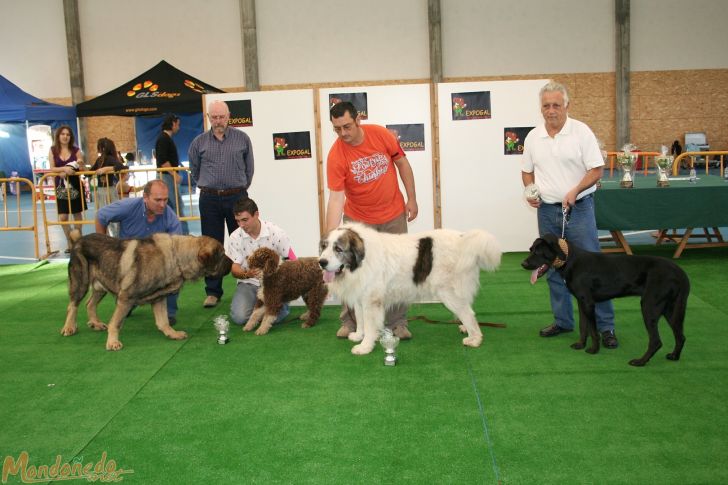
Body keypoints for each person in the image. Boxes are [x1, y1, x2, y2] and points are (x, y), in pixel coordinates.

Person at [521, 81, 618, 348]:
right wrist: (530, 190)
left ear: (567, 106)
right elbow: (527, 171)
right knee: (553, 268)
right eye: (546, 106)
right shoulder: (533, 137)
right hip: (548, 212)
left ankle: (606, 327)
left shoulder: (581, 132)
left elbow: (596, 169)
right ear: (541, 108)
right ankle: (563, 322)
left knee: (594, 268)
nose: (551, 111)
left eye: (556, 105)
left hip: (579, 209)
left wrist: (575, 190)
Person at [325, 101, 418, 340]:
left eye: (347, 126)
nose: (343, 133)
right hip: (359, 221)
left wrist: (412, 199)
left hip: (393, 214)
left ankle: (397, 322)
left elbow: (402, 164)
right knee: (350, 271)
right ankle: (350, 321)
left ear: (358, 120)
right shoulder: (336, 155)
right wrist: (330, 238)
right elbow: (336, 199)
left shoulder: (380, 135)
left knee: (399, 269)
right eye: (337, 129)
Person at [189, 100, 254, 309]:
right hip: (209, 198)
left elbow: (249, 169)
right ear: (209, 118)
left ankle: (247, 283)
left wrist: (239, 187)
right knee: (211, 245)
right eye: (214, 117)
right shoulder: (198, 143)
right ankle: (213, 292)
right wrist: (210, 186)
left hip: (237, 197)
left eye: (221, 117)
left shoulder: (242, 139)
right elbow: (194, 170)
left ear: (229, 116)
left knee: (243, 240)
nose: (218, 121)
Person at [95, 179, 182, 325]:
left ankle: (169, 311)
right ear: (145, 197)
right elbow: (101, 216)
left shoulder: (170, 216)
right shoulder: (127, 206)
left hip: (155, 261)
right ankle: (130, 302)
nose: (162, 204)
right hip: (128, 260)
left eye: (165, 200)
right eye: (157, 200)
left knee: (175, 272)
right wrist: (104, 247)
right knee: (126, 297)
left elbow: (176, 246)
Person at [226, 197, 295, 325]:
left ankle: (279, 307)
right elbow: (235, 269)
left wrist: (282, 284)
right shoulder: (235, 237)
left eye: (245, 220)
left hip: (275, 283)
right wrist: (247, 274)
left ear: (256, 214)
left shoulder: (277, 233)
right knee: (240, 318)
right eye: (238, 221)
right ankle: (263, 307)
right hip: (248, 283)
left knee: (272, 318)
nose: (241, 225)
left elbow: (291, 260)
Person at [48, 125, 86, 253]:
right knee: (63, 217)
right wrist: (63, 169)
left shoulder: (76, 150)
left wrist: (80, 163)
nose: (65, 136)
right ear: (58, 136)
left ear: (71, 137)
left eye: (68, 134)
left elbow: (81, 167)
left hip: (75, 185)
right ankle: (70, 240)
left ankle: (78, 242)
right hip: (61, 186)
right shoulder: (53, 150)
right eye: (63, 134)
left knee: (77, 214)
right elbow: (52, 168)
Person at [155, 114, 188, 234]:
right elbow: (163, 161)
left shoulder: (165, 138)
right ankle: (181, 234)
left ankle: (179, 233)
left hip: (168, 176)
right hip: (167, 177)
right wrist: (174, 174)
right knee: (175, 206)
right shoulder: (163, 139)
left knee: (174, 205)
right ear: (173, 124)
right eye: (178, 124)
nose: (178, 127)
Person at [91, 137, 126, 237]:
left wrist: (107, 169)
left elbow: (122, 166)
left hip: (109, 190)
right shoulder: (99, 160)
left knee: (112, 213)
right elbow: (91, 172)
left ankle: (115, 236)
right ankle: (105, 236)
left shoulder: (109, 158)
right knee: (101, 214)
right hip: (101, 191)